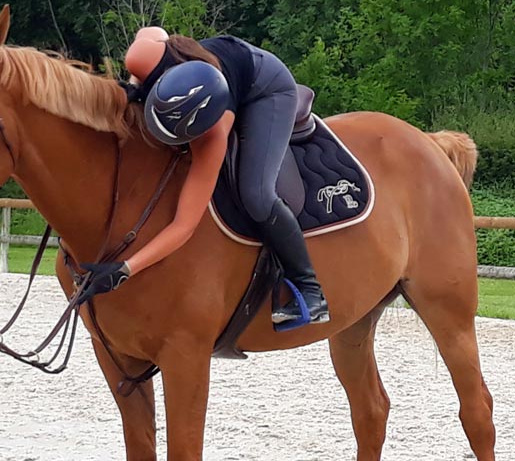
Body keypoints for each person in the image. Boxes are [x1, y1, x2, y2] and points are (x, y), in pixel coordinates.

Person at [79, 26, 329, 327]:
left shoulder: (213, 133)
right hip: (219, 65)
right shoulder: (142, 57)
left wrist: (125, 269)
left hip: (266, 88)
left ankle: (310, 288)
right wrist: (135, 85)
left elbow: (184, 225)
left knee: (257, 195)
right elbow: (152, 31)